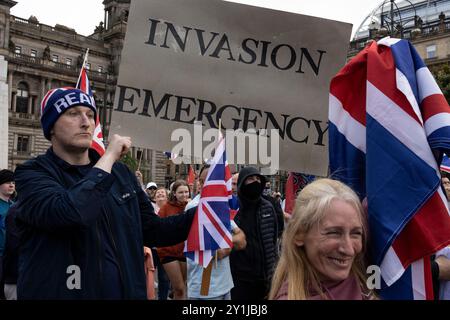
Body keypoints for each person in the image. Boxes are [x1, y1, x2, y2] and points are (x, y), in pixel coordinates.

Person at [13, 87, 195, 299]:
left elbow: (153, 230)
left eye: (90, 115)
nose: (86, 122)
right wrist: (108, 157)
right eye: (73, 113)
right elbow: (71, 213)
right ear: (51, 126)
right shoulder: (32, 173)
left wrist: (201, 215)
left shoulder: (120, 174)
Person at [269, 178, 375, 300]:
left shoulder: (366, 285)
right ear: (299, 234)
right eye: (334, 233)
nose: (349, 250)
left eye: (356, 233)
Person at [185, 165, 246, 300]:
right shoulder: (194, 207)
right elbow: (210, 251)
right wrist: (227, 244)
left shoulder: (220, 206)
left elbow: (241, 239)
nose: (204, 184)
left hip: (224, 285)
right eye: (202, 181)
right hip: (205, 288)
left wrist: (225, 246)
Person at [230, 166, 282, 300]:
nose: (255, 182)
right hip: (239, 279)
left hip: (265, 278)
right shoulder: (233, 209)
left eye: (258, 179)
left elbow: (274, 237)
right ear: (242, 183)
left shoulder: (268, 207)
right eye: (251, 179)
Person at [156, 180, 190, 299]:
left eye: (186, 192)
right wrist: (161, 249)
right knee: (179, 288)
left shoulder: (191, 206)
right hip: (168, 252)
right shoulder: (166, 208)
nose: (184, 195)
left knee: (182, 288)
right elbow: (158, 228)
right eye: (181, 192)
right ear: (174, 193)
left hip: (186, 252)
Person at [0, 169, 15, 299]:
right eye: (7, 182)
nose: (11, 185)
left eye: (13, 182)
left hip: (11, 257)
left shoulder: (15, 206)